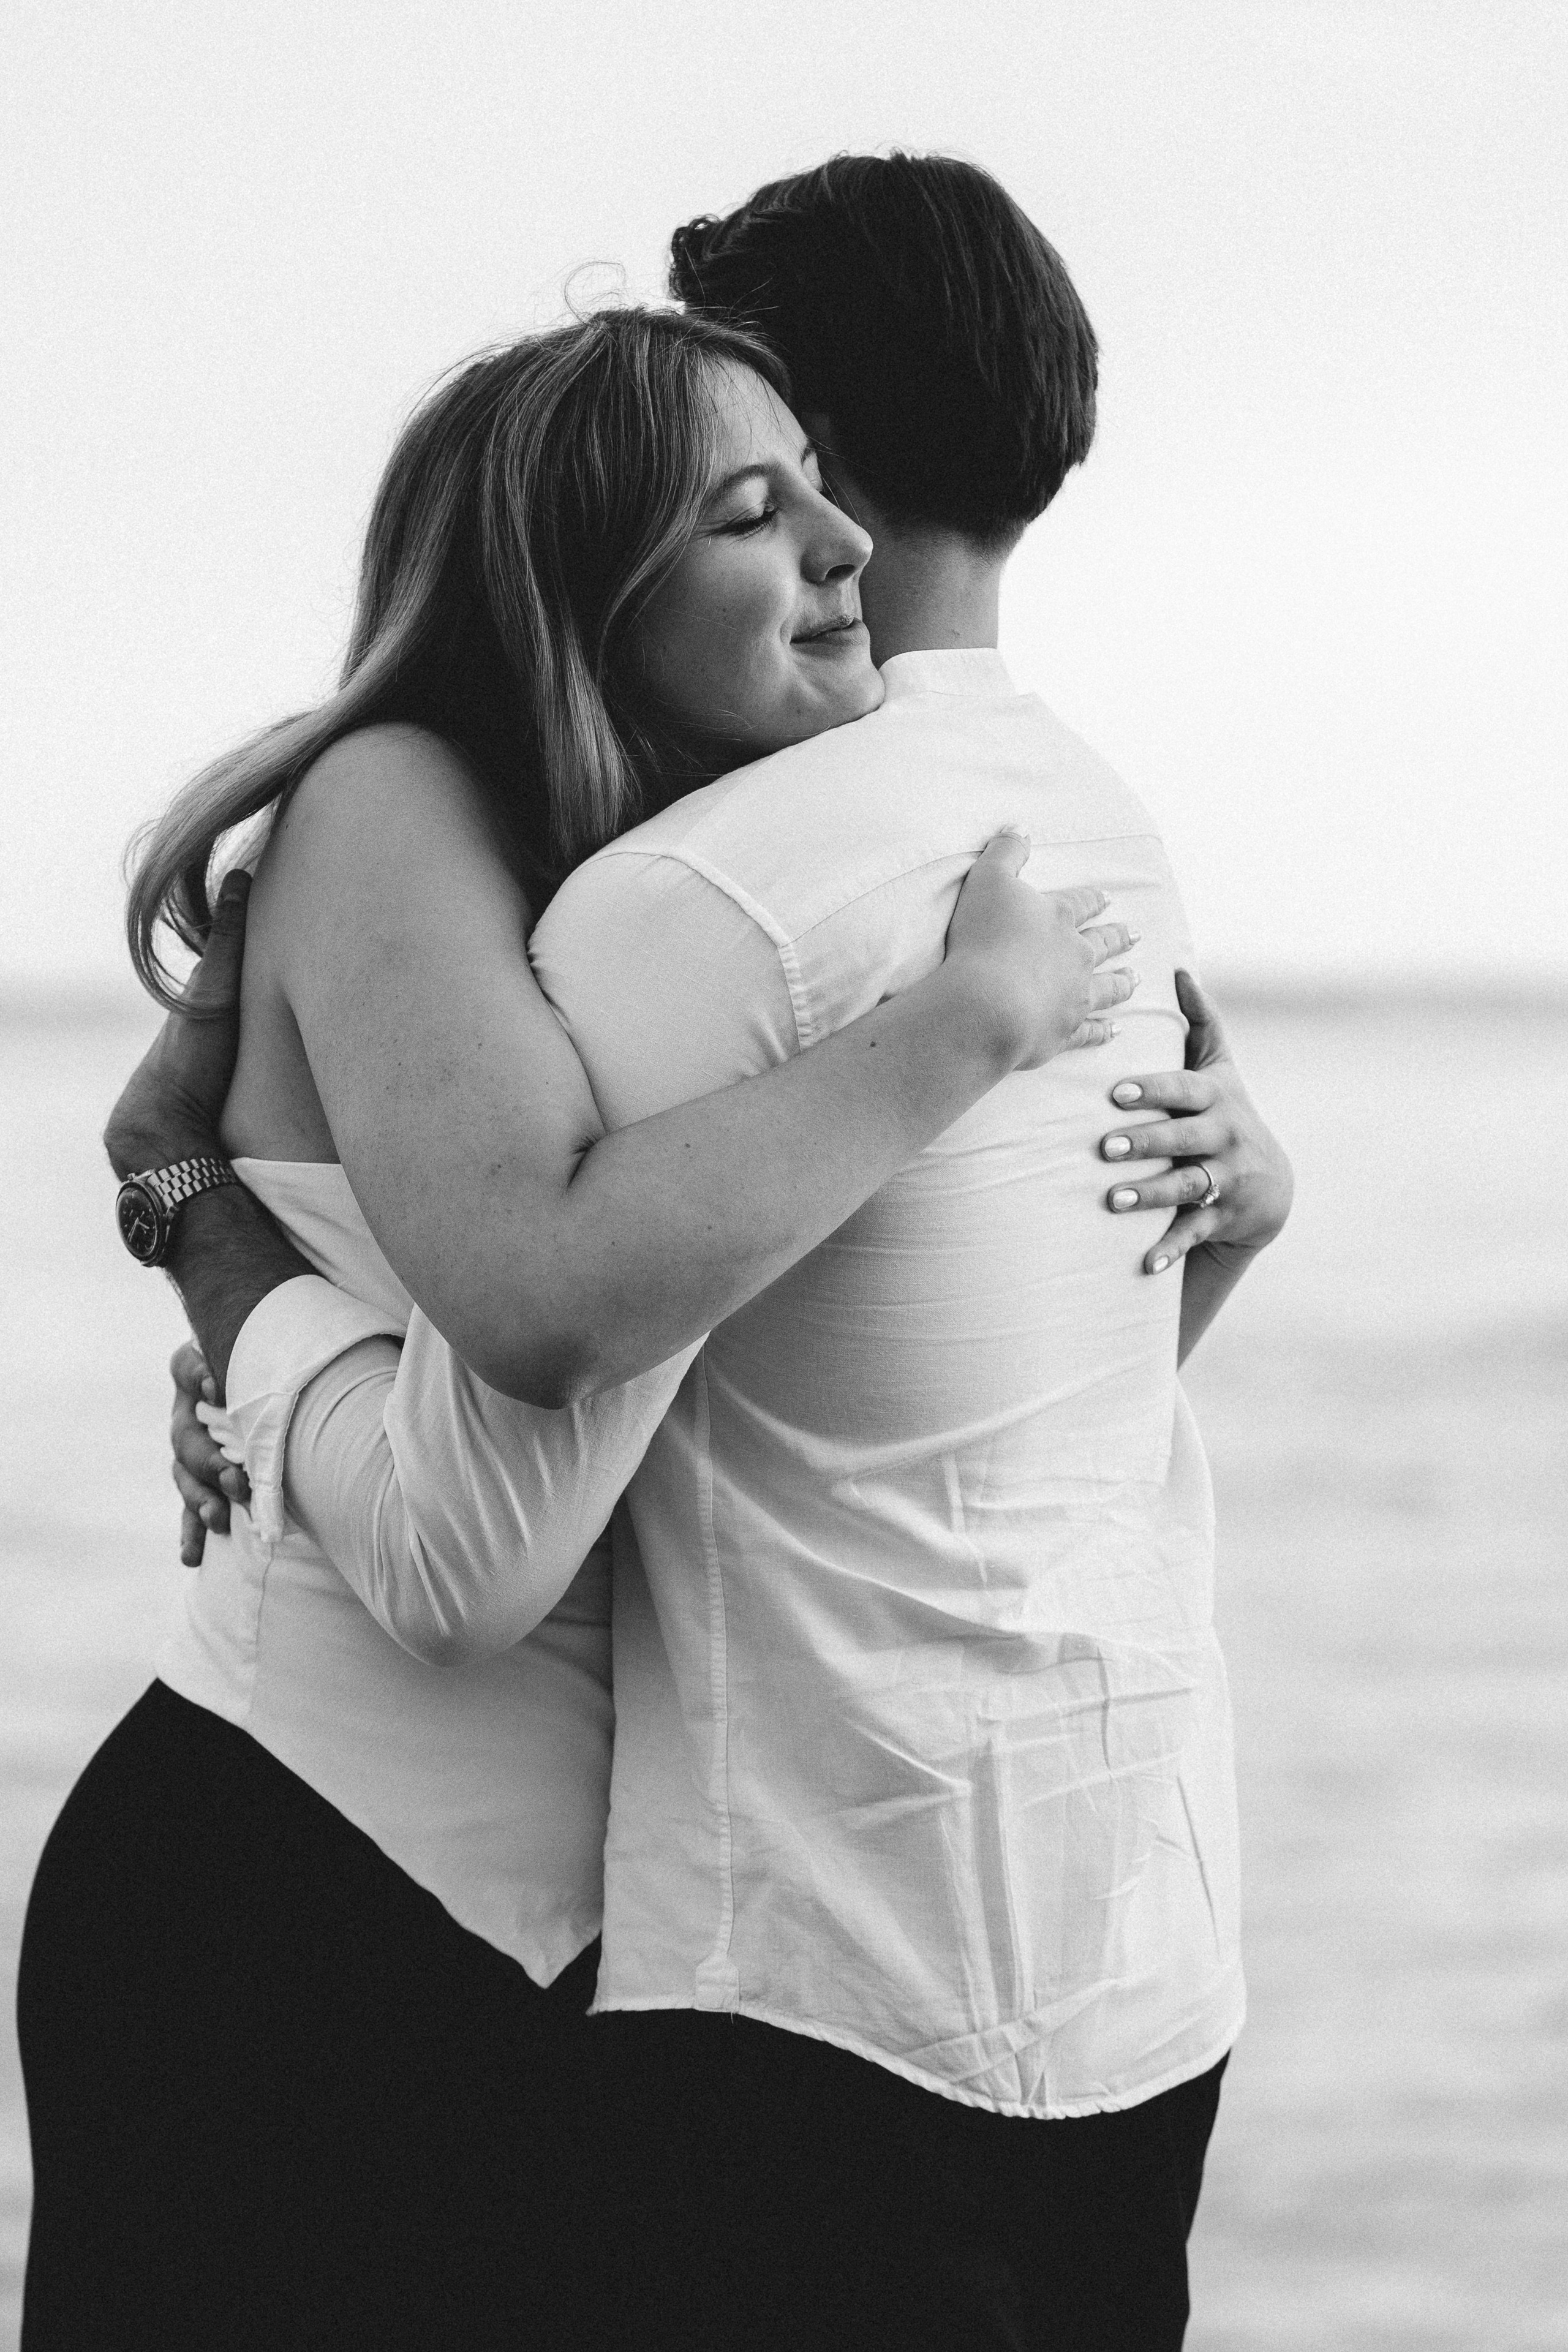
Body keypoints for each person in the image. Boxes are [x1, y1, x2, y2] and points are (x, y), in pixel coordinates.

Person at [108, 156, 1294, 2348]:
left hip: (533, 1961)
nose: (826, 548)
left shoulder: (671, 871)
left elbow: (897, 1375)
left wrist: (1230, 1200)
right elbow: (491, 1496)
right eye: (747, 508)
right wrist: (199, 1254)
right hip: (323, 1893)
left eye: (801, 486)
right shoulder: (492, 846)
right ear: (585, 569)